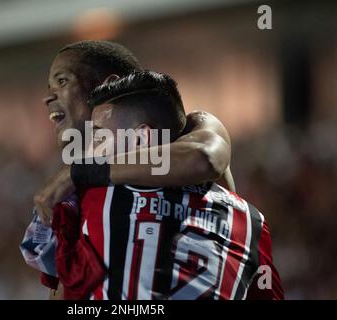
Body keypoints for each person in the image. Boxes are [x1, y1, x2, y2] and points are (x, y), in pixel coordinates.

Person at [41, 71, 285, 299]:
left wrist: (78, 174)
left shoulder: (88, 197)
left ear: (141, 138)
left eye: (99, 135)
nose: (90, 149)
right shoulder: (251, 222)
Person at [21, 40, 234, 299]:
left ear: (105, 85)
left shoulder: (188, 128)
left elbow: (203, 158)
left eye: (63, 81)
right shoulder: (81, 188)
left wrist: (76, 173)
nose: (48, 97)